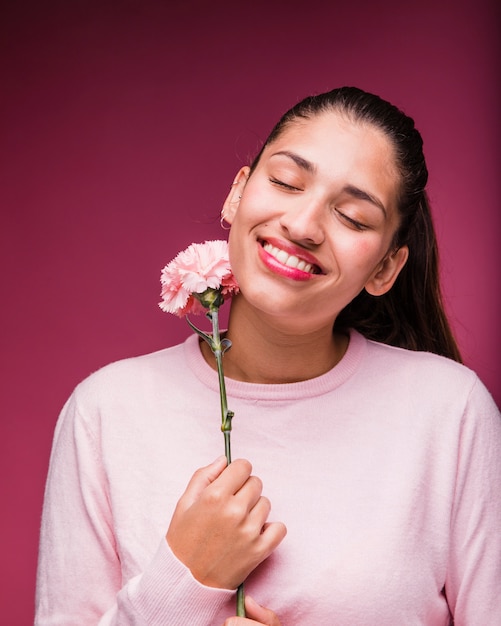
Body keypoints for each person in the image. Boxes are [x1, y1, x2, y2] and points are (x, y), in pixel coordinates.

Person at [35, 87, 501, 625]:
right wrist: (186, 577)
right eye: (285, 182)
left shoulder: (451, 412)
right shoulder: (105, 412)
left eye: (352, 216)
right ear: (237, 195)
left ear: (385, 270)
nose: (302, 226)